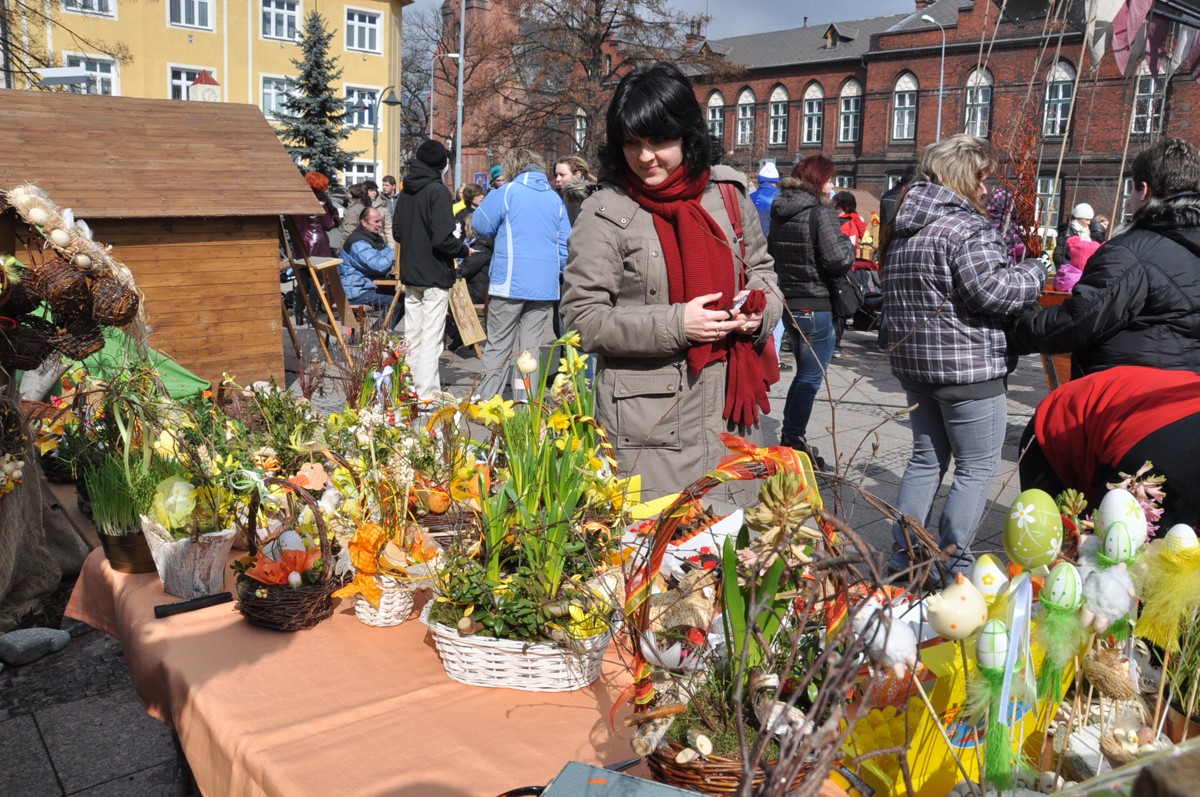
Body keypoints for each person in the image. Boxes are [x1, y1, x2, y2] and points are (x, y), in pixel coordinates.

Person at [561, 62, 783, 500]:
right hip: (649, 428)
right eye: (632, 143)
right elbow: (580, 319)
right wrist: (678, 324)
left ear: (687, 134)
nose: (645, 157)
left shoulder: (728, 195)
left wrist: (757, 312)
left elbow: (764, 273)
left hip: (731, 418)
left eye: (659, 141)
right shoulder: (605, 211)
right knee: (654, 557)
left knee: (729, 556)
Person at [881, 134, 1044, 580]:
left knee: (925, 459)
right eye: (981, 179)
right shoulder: (964, 227)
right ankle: (955, 566)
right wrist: (1035, 271)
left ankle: (906, 562)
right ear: (960, 177)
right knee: (976, 468)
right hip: (968, 369)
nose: (986, 191)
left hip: (916, 367)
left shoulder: (904, 228)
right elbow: (993, 290)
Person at [1009, 137, 1200, 376]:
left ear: (1145, 190)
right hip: (1186, 393)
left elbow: (1077, 321)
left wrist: (1014, 328)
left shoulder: (1131, 252)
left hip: (1132, 390)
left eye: (1131, 188)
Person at [1019, 365, 1200, 531]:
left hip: (1129, 425)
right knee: (1057, 547)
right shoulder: (1167, 477)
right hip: (1057, 429)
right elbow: (1097, 541)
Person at [769, 156, 856, 466]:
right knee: (810, 379)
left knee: (804, 377)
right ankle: (792, 442)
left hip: (791, 302)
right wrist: (850, 246)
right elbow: (837, 260)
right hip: (817, 304)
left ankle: (791, 437)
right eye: (830, 179)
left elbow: (773, 253)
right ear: (819, 181)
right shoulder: (821, 213)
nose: (834, 186)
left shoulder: (781, 210)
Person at [471, 147, 571, 400]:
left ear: (514, 168)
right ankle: (524, 405)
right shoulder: (554, 199)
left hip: (509, 283)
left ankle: (485, 402)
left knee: (498, 345)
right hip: (544, 287)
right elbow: (565, 245)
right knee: (530, 351)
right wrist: (554, 272)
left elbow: (480, 224)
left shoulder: (507, 192)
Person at [394, 139, 471, 402]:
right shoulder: (438, 192)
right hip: (435, 275)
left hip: (410, 272)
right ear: (441, 165)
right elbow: (443, 240)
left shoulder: (406, 191)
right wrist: (463, 249)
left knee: (411, 334)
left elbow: (396, 232)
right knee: (431, 337)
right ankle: (425, 393)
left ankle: (407, 387)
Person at [338, 207, 400, 328]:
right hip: (356, 292)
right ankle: (375, 337)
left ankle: (376, 335)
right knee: (396, 302)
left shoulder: (374, 238)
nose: (380, 225)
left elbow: (384, 257)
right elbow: (378, 265)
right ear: (364, 222)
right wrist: (397, 250)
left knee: (403, 296)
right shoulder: (358, 242)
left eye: (380, 221)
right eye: (376, 221)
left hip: (367, 287)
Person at [293, 171, 339, 258]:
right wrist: (335, 219)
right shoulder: (320, 199)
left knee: (303, 268)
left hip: (300, 240)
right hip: (318, 243)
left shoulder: (299, 198)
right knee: (319, 270)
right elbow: (328, 225)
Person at [555, 154, 598, 224]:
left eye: (562, 175)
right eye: (556, 175)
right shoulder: (559, 197)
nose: (557, 179)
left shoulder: (575, 199)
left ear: (577, 175)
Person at [1052, 202, 1097, 268]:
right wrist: (1069, 268)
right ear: (1078, 218)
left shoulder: (1087, 233)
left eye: (1090, 220)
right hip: (1071, 270)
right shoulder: (1067, 233)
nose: (1089, 223)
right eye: (1087, 220)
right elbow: (1059, 255)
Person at [750, 162, 781, 235]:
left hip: (754, 240)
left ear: (760, 181)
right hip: (773, 240)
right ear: (776, 182)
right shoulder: (781, 196)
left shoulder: (749, 197)